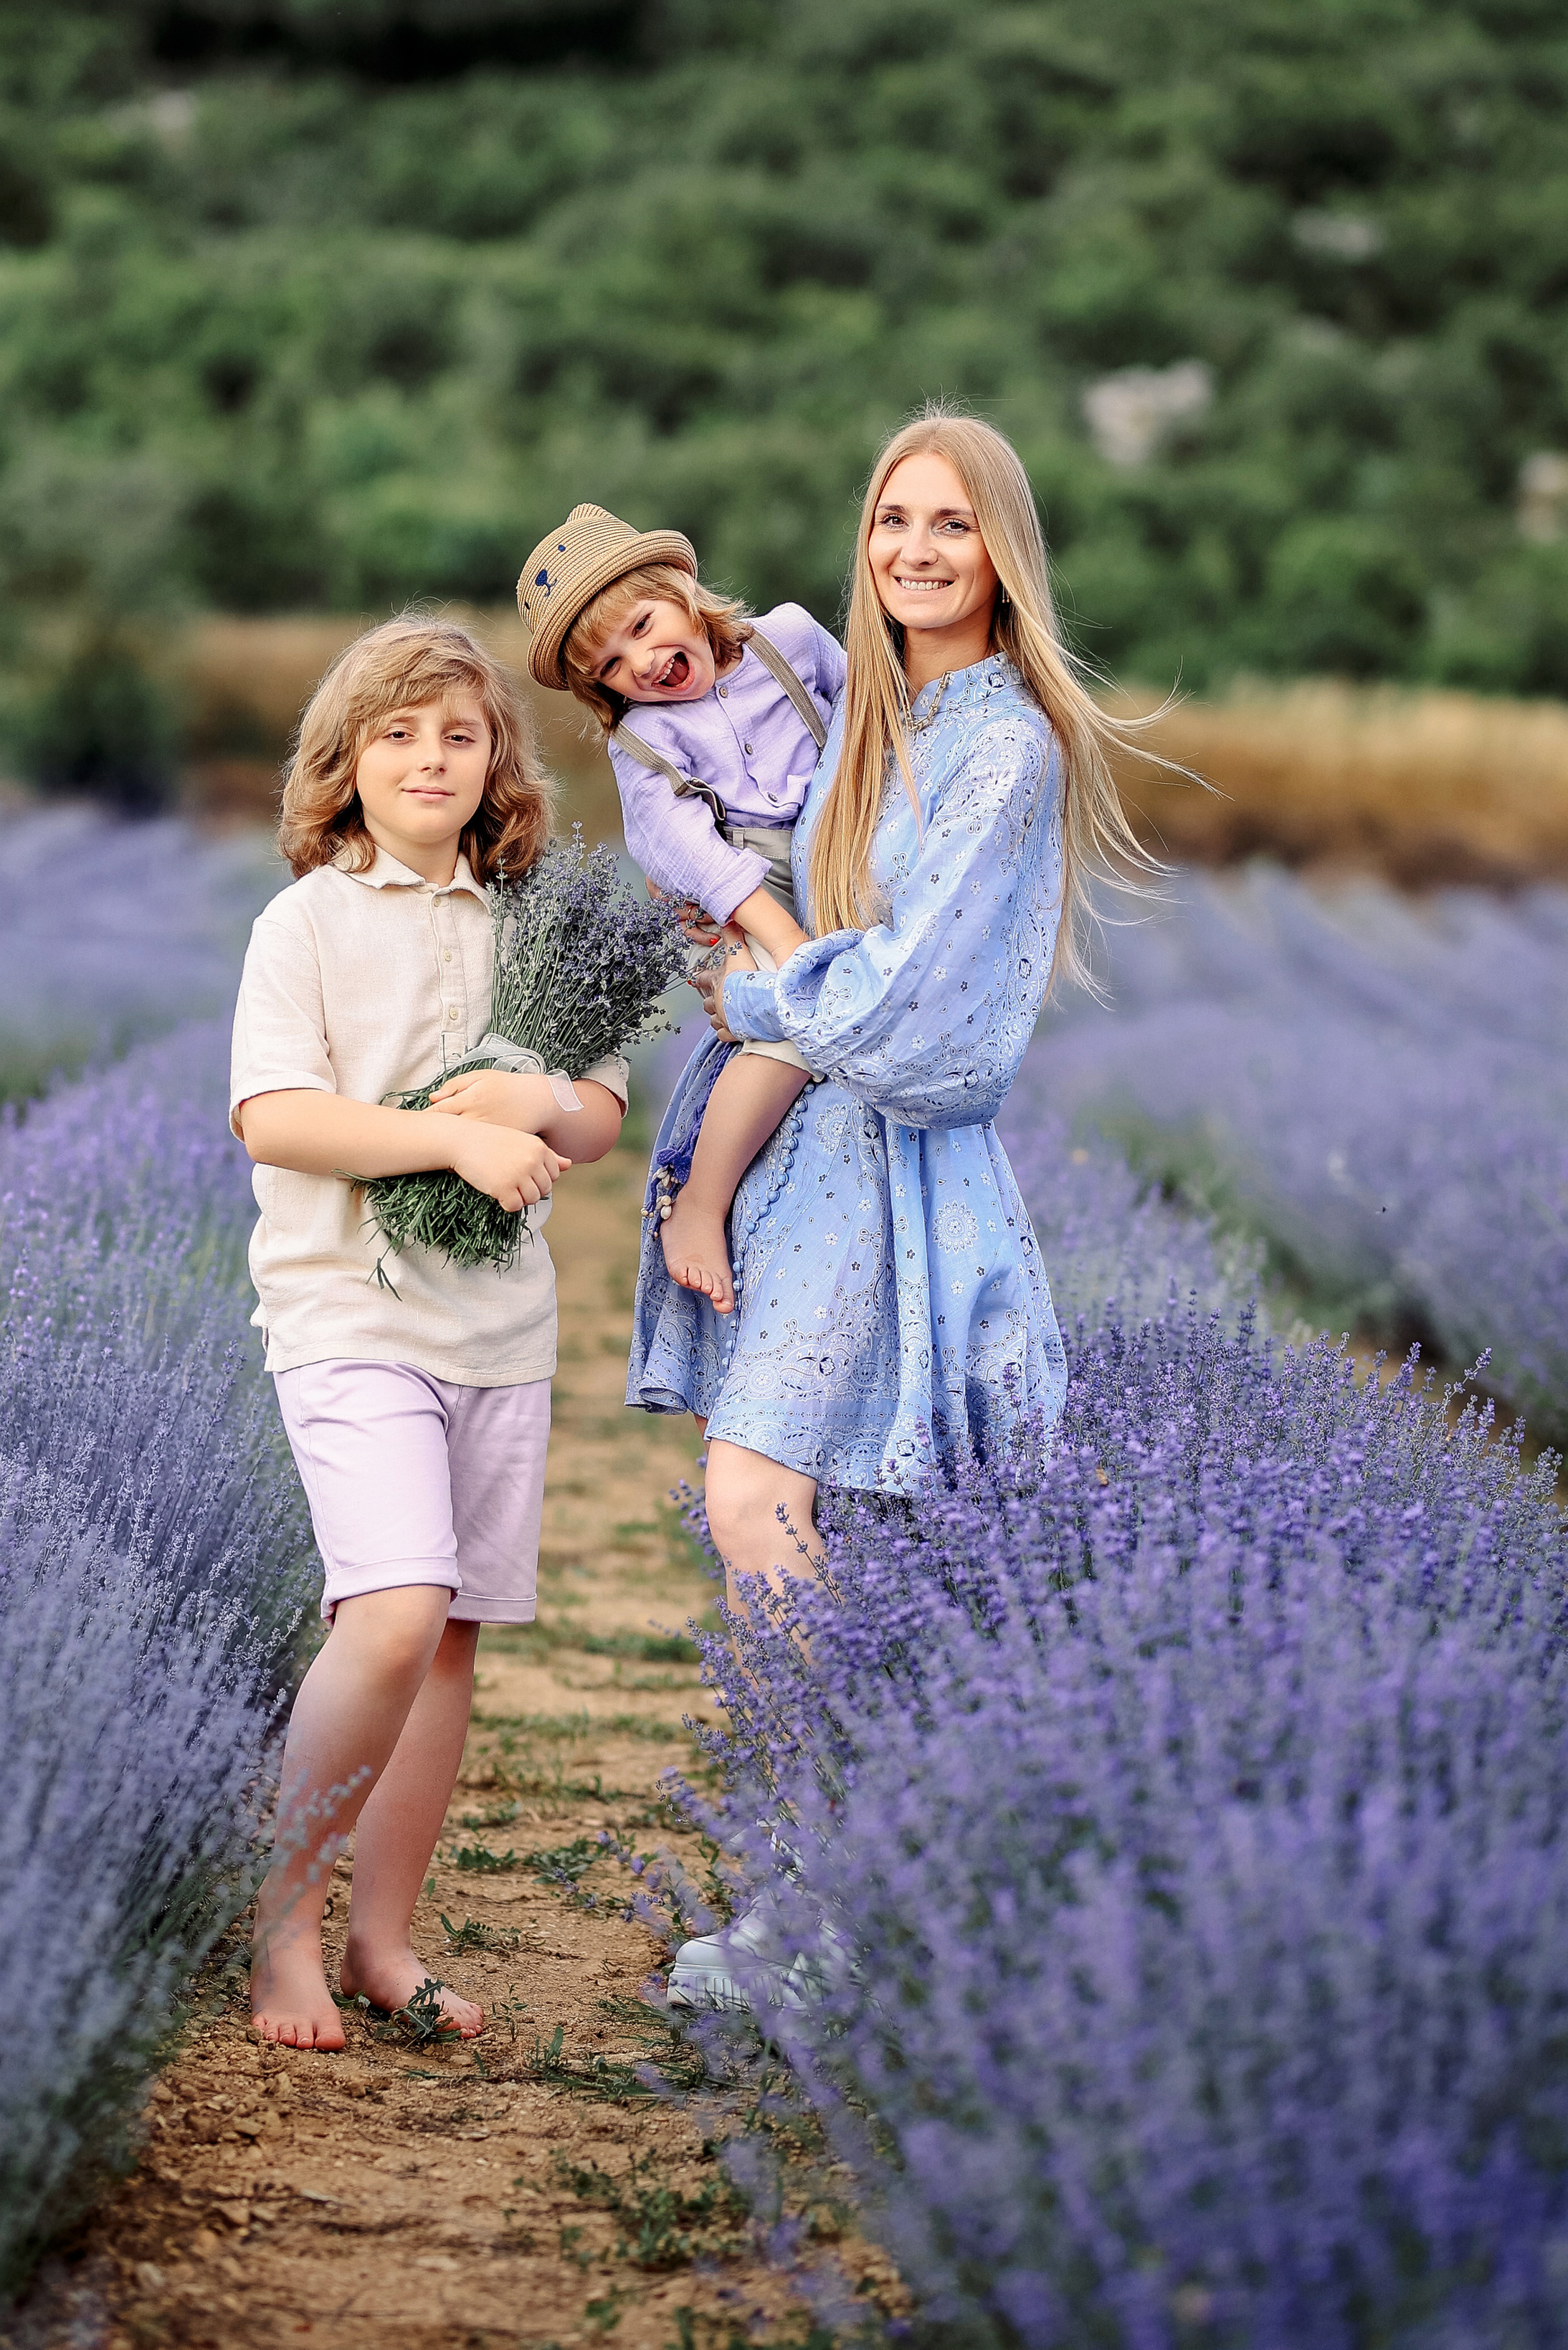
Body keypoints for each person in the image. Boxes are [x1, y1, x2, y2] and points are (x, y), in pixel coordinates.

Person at [624, 414, 1160, 2008]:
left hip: (894, 1170)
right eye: (889, 521)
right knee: (833, 1523)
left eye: (950, 525)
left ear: (1003, 552)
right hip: (808, 1164)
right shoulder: (876, 716)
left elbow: (918, 1006)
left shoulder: (1004, 745)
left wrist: (755, 984)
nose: (914, 551)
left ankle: (836, 1897)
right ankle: (843, 1889)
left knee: (754, 1502)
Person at [230, 615, 627, 2050]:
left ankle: (381, 1941)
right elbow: (276, 1116)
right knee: (389, 1613)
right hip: (347, 1311)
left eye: (459, 735)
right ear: (343, 761)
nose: (429, 758)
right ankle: (281, 1932)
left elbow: (597, 1110)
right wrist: (446, 1147)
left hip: (497, 1326)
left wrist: (537, 1109)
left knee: (447, 1640)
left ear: (495, 764)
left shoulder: (525, 916)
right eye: (397, 733)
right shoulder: (310, 923)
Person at [516, 505, 845, 1313]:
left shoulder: (792, 639)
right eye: (613, 666)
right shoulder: (647, 741)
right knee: (789, 1028)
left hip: (834, 849)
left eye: (642, 624)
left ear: (682, 590)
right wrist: (793, 951)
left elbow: (871, 718)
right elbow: (693, 859)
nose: (643, 663)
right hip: (734, 892)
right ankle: (700, 1201)